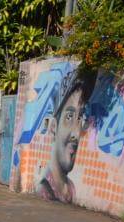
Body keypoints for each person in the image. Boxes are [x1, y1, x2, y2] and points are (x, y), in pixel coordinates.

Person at [37, 71, 95, 204]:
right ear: (53, 127)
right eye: (69, 117)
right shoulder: (44, 189)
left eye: (80, 117)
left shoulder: (70, 188)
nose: (76, 134)